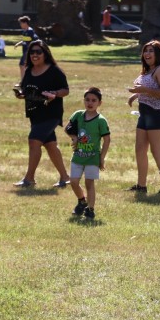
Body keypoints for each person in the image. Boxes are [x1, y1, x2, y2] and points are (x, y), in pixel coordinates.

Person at [13, 40, 71, 188]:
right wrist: (21, 94)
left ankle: (29, 178)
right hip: (34, 113)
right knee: (50, 145)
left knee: (34, 141)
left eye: (38, 52)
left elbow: (66, 90)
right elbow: (26, 89)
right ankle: (65, 177)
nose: (35, 55)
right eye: (32, 52)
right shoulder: (28, 71)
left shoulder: (54, 71)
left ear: (45, 54)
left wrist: (54, 93)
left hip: (51, 114)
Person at [127, 41, 160, 194]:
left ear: (158, 54)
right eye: (145, 51)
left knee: (157, 152)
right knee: (140, 149)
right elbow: (148, 90)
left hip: (157, 114)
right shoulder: (147, 71)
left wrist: (143, 89)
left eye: (151, 51)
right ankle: (141, 185)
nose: (147, 54)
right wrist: (136, 95)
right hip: (144, 114)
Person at [66, 87, 110, 220]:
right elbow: (68, 128)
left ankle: (90, 209)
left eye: (94, 100)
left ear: (99, 103)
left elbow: (107, 140)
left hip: (92, 157)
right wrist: (74, 137)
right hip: (78, 156)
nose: (90, 103)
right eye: (87, 100)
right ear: (83, 101)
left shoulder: (101, 120)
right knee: (73, 181)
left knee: (89, 183)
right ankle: (81, 200)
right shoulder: (78, 115)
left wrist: (101, 158)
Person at [14, 16, 38, 81]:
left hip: (28, 52)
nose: (20, 24)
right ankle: (24, 80)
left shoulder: (30, 31)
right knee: (24, 66)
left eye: (21, 23)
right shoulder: (25, 31)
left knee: (22, 65)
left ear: (25, 23)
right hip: (25, 51)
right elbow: (25, 40)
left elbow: (34, 41)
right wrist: (19, 43)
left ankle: (24, 81)